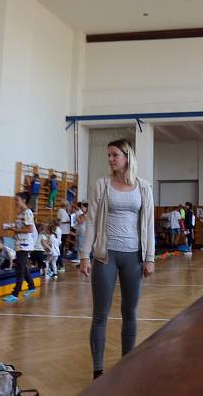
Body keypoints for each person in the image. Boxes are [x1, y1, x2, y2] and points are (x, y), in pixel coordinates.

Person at [80, 138, 155, 380]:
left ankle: (128, 364)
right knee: (100, 314)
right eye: (109, 155)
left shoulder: (144, 188)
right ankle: (98, 370)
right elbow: (91, 220)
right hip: (106, 255)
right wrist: (84, 255)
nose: (111, 159)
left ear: (127, 157)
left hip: (133, 256)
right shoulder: (101, 185)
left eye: (115, 155)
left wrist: (150, 257)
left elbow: (149, 224)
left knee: (130, 312)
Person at [2, 191, 38, 303]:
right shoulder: (20, 213)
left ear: (24, 200)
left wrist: (14, 229)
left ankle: (15, 293)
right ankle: (31, 287)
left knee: (20, 269)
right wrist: (11, 226)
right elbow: (20, 226)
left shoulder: (27, 212)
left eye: (17, 200)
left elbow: (29, 229)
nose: (15, 202)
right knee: (23, 267)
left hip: (24, 244)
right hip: (19, 243)